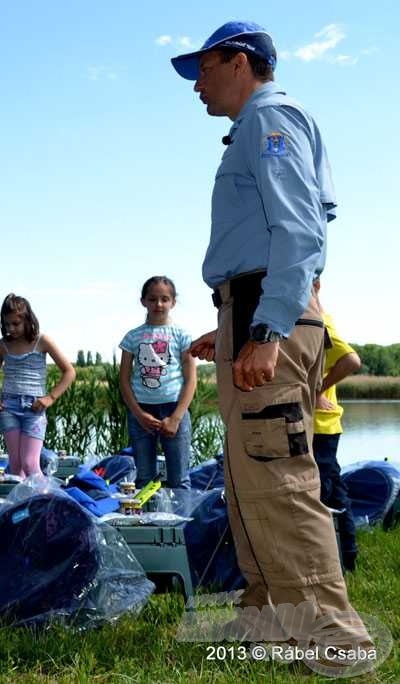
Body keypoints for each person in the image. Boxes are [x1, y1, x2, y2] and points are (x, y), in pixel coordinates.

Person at [176, 21, 367, 654]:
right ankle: (266, 618)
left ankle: (333, 638)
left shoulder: (269, 119)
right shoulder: (255, 128)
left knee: (280, 480)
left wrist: (268, 327)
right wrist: (233, 323)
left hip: (266, 315)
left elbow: (302, 230)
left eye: (204, 67)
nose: (197, 83)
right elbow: (284, 238)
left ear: (240, 63)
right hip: (253, 309)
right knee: (250, 477)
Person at [118, 276, 196, 489]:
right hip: (141, 411)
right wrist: (138, 414)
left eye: (164, 299)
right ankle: (144, 520)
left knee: (179, 480)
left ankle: (180, 522)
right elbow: (124, 380)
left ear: (173, 302)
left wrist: (177, 418)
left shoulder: (182, 335)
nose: (158, 304)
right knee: (144, 478)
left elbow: (191, 380)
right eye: (152, 299)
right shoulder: (132, 337)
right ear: (143, 301)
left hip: (174, 410)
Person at [0, 295, 75, 478]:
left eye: (16, 324)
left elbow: (69, 372)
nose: (11, 329)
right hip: (8, 407)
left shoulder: (42, 341)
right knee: (16, 464)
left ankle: (44, 502)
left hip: (34, 409)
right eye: (7, 324)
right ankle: (21, 504)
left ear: (28, 319)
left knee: (30, 463)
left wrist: (50, 398)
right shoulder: (2, 345)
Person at [312, 279, 361, 572]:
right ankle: (330, 556)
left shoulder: (321, 324)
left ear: (316, 285)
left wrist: (318, 390)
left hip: (322, 426)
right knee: (323, 490)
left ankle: (347, 556)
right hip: (312, 424)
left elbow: (351, 361)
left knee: (331, 492)